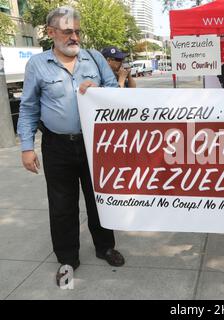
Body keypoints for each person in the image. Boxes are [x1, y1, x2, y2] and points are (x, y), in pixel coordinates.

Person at [17, 6, 125, 287]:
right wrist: (27, 147)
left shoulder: (95, 59)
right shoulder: (38, 65)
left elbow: (116, 92)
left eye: (77, 31)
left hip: (95, 143)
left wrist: (100, 90)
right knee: (62, 205)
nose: (74, 36)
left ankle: (105, 247)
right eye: (67, 32)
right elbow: (28, 108)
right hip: (57, 146)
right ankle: (68, 257)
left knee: (98, 198)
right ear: (51, 33)